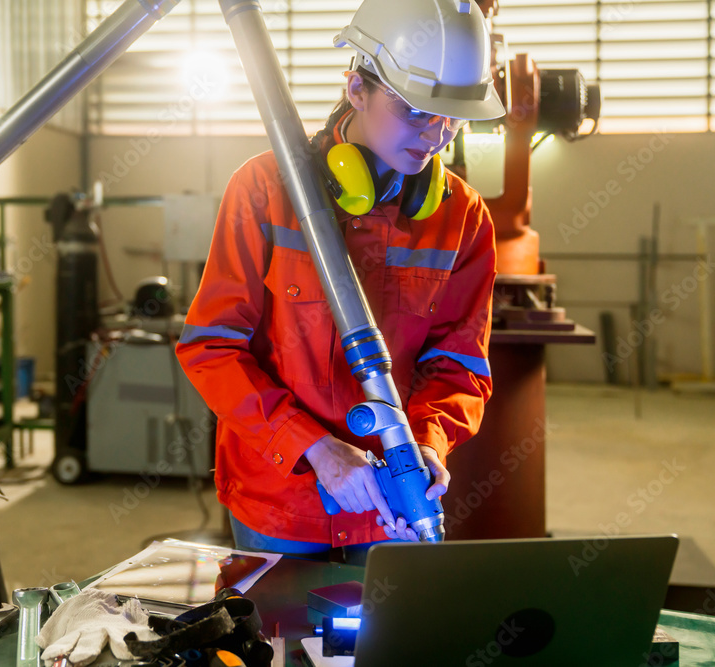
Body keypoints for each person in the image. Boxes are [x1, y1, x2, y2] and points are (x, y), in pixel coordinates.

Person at [176, 0, 505, 562]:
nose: (436, 136)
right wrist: (315, 449)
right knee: (273, 646)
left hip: (391, 507)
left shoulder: (463, 217)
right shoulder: (263, 189)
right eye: (417, 112)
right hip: (279, 502)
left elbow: (460, 367)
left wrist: (427, 443)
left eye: (452, 116)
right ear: (357, 88)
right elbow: (212, 348)